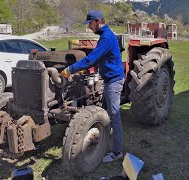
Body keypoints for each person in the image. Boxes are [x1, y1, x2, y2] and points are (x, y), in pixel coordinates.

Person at [61, 10, 125, 163]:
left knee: (114, 115)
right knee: (108, 113)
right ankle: (106, 142)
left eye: (90, 23)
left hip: (114, 81)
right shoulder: (105, 35)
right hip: (110, 79)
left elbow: (91, 59)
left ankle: (117, 152)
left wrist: (69, 69)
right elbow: (96, 59)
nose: (89, 26)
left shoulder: (107, 38)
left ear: (98, 21)